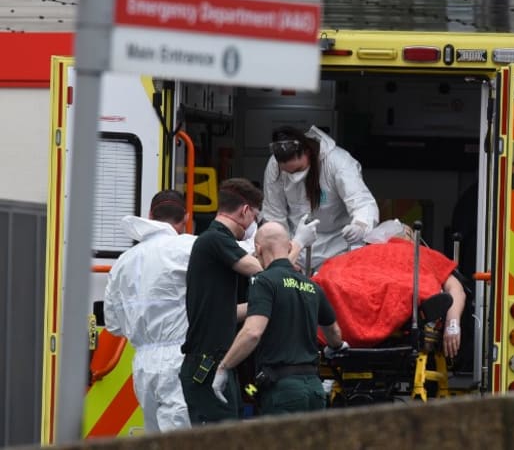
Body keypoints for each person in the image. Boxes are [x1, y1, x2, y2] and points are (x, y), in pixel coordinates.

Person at [179, 178, 316, 425]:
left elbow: (228, 313)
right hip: (208, 362)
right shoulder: (215, 240)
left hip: (215, 360)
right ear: (244, 211)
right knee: (220, 437)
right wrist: (298, 243)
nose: (254, 224)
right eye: (255, 216)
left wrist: (263, 308)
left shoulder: (220, 248)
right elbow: (272, 274)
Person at [212, 221, 347, 415]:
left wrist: (224, 367)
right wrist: (335, 347)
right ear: (290, 246)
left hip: (283, 392)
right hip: (315, 390)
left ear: (258, 249)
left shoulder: (264, 282)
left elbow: (252, 332)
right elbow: (333, 332)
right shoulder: (312, 286)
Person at [102, 190, 196, 432]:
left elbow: (113, 325)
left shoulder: (123, 261)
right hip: (178, 357)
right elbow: (242, 252)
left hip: (143, 364)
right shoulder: (188, 247)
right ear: (186, 218)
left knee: (154, 435)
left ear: (150, 215)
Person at [313, 220, 466, 360]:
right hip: (406, 305)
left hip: (345, 307)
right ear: (409, 235)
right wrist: (452, 325)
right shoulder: (422, 253)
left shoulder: (353, 256)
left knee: (331, 284)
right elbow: (456, 289)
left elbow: (324, 276)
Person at [261, 125, 379, 271]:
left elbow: (362, 202)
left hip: (336, 249)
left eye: (298, 169)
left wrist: (360, 225)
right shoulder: (274, 165)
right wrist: (281, 254)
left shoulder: (339, 162)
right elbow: (274, 214)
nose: (294, 176)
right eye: (288, 172)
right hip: (296, 248)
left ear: (308, 152)